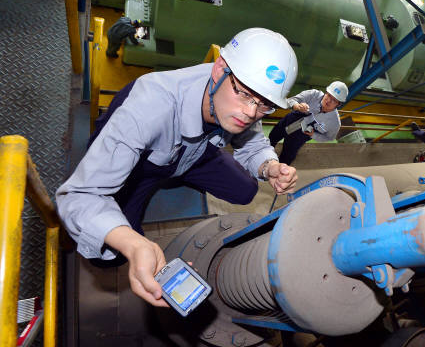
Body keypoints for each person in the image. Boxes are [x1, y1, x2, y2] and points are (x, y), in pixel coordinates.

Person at [56, 28, 299, 307]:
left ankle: (178, 175)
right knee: (109, 254)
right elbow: (78, 196)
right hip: (143, 167)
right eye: (246, 96)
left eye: (265, 105)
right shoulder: (148, 108)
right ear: (220, 70)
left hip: (193, 155)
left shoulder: (244, 91)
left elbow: (253, 143)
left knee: (246, 190)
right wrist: (134, 245)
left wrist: (270, 166)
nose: (252, 112)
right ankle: (152, 190)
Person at [268, 81, 347, 165]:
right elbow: (291, 100)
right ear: (326, 92)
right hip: (287, 122)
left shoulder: (334, 123)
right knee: (271, 139)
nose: (328, 100)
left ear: (339, 104)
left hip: (299, 137)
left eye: (334, 100)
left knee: (287, 158)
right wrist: (296, 106)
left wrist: (314, 135)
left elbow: (329, 137)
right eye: (328, 95)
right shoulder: (313, 95)